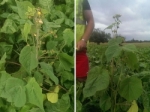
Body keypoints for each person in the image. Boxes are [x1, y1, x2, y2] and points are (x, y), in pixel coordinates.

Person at [76, 0, 94, 82]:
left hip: (79, 47)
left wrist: (83, 40)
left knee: (81, 79)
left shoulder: (82, 1)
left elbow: (90, 20)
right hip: (62, 46)